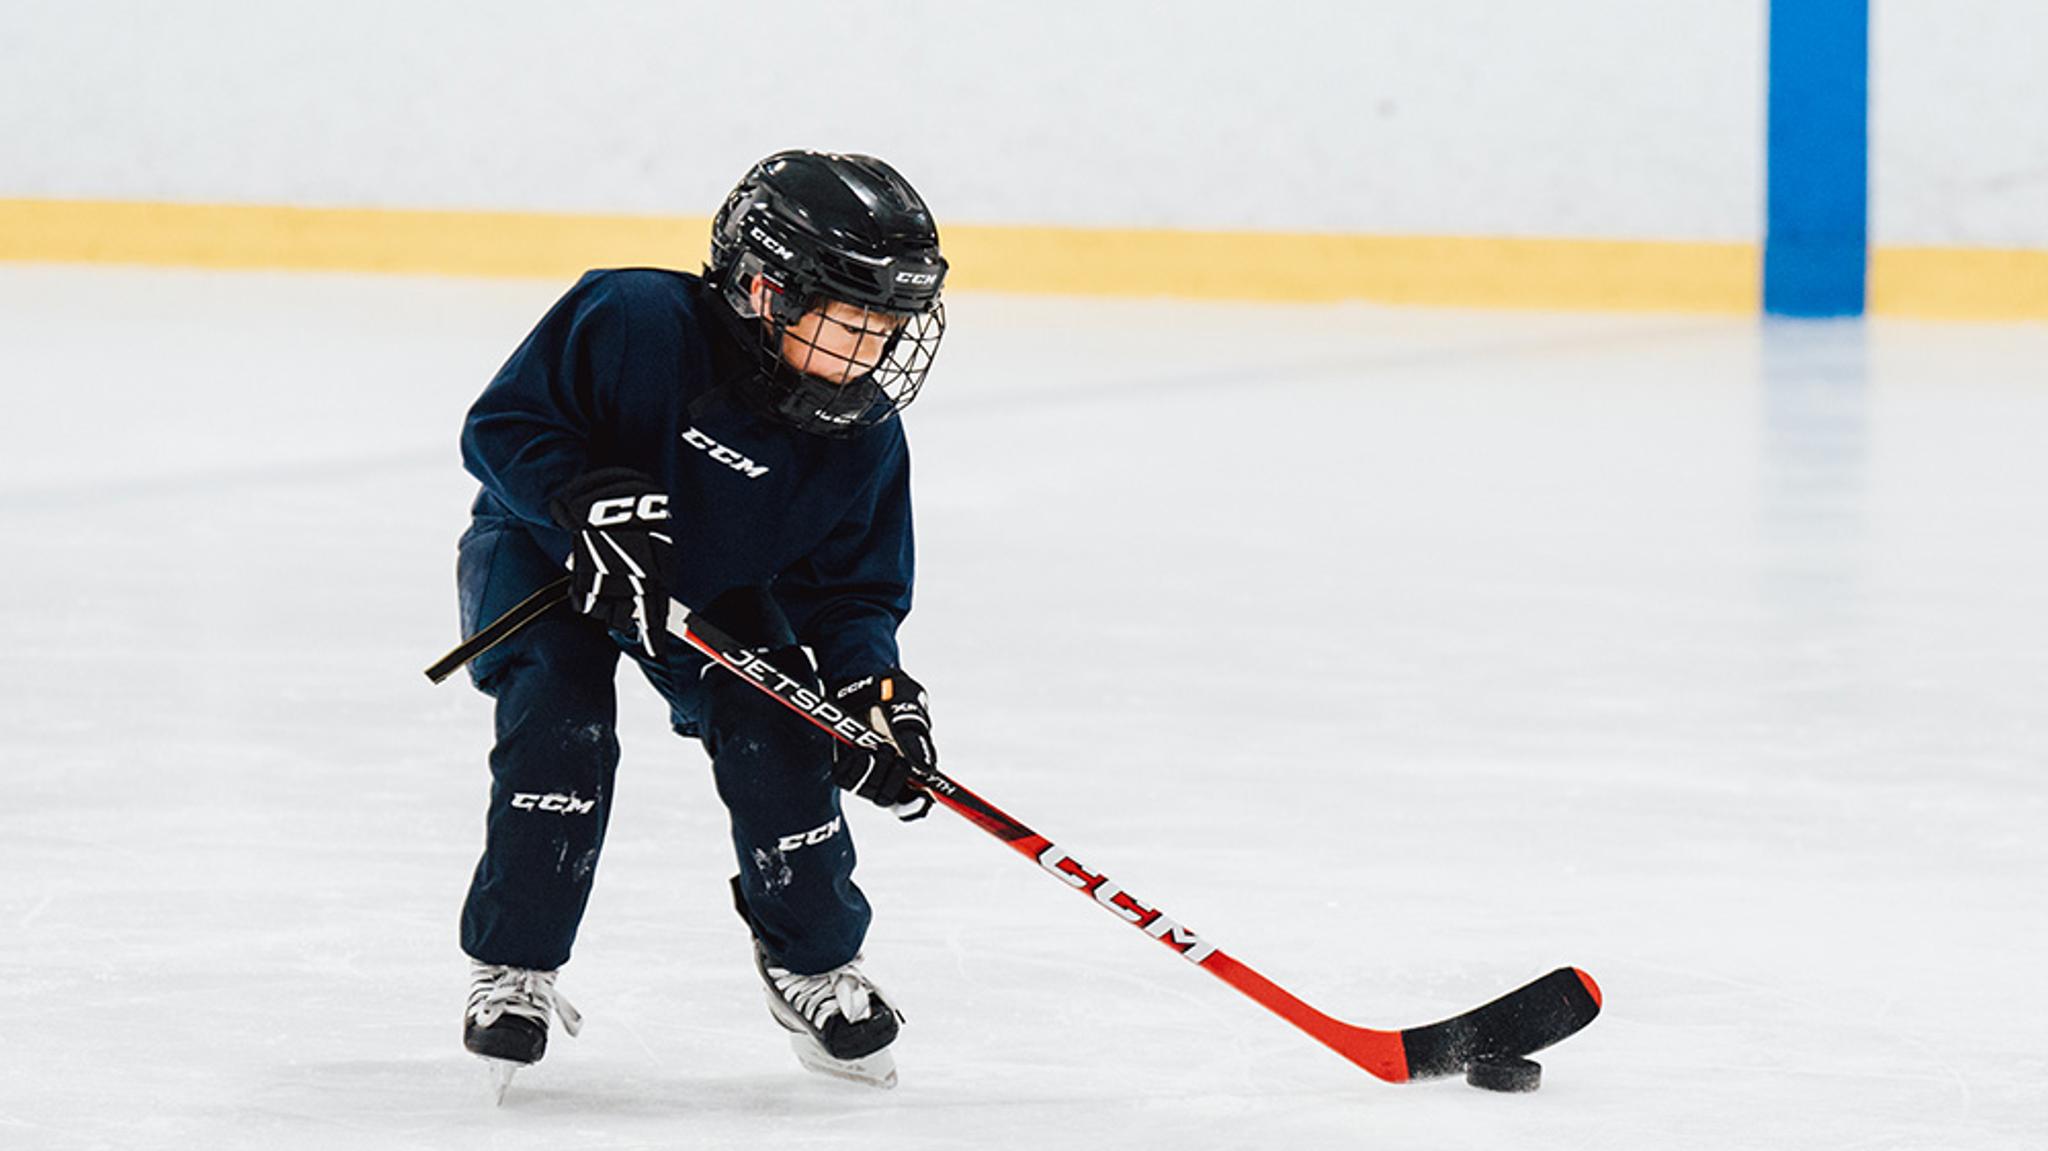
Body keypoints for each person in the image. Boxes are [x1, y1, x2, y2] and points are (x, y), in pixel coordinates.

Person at [452, 150, 948, 1090]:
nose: (874, 352)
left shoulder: (861, 433)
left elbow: (851, 592)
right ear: (766, 289)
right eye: (853, 324)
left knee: (782, 722)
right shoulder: (631, 317)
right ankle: (513, 967)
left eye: (890, 328)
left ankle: (811, 960)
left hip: (710, 586)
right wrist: (584, 503)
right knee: (561, 716)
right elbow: (502, 428)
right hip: (549, 558)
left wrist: (869, 688)